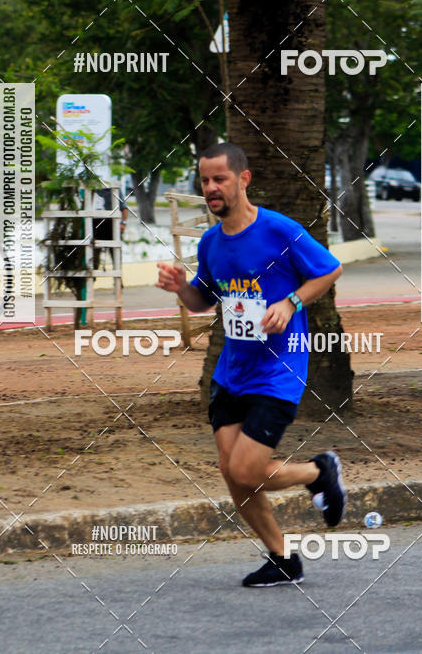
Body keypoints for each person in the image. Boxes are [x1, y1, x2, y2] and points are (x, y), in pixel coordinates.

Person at [156, 142, 344, 587]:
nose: (211, 187)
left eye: (219, 178)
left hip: (279, 371)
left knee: (246, 469)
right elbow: (203, 300)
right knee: (232, 472)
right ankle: (283, 559)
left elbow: (329, 269)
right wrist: (181, 288)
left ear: (243, 179)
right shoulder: (210, 242)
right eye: (205, 180)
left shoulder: (279, 230)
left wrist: (291, 301)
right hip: (231, 372)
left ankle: (319, 472)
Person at [92, 186, 129, 273]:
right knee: (94, 254)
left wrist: (123, 223)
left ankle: (118, 277)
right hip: (96, 225)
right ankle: (92, 277)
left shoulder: (115, 189)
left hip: (112, 225)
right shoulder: (92, 190)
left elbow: (124, 208)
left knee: (116, 254)